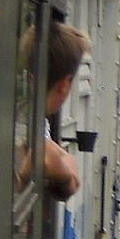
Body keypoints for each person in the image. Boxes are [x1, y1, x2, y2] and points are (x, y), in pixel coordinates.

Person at [19, 23, 90, 200]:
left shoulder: (32, 113)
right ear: (65, 85)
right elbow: (46, 154)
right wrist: (68, 179)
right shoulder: (24, 118)